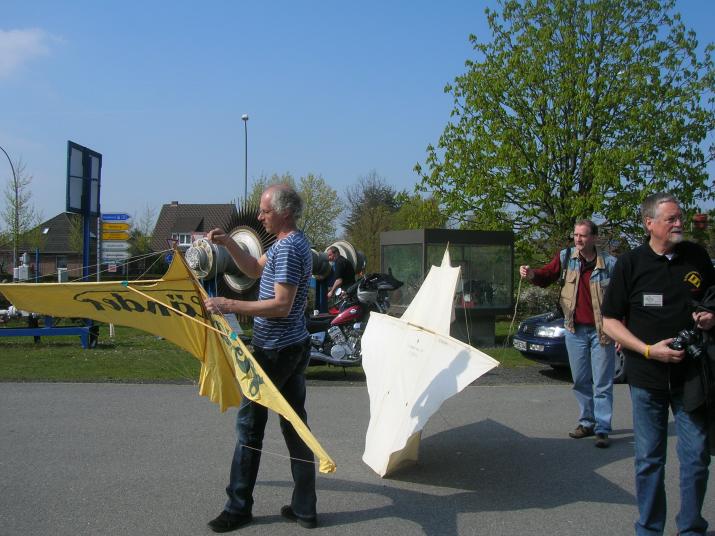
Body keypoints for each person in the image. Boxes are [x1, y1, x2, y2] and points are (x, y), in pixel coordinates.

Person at [203, 184, 318, 532]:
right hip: (292, 347)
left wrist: (230, 304)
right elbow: (253, 268)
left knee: (249, 428)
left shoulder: (287, 250)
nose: (259, 216)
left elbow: (281, 305)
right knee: (295, 426)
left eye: (265, 211)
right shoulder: (290, 244)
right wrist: (228, 244)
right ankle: (304, 508)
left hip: (277, 352)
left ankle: (238, 508)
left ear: (283, 212)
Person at [602, 193, 715, 536]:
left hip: (692, 376)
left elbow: (712, 297)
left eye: (679, 218)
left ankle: (691, 528)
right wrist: (649, 350)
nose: (679, 223)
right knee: (650, 461)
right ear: (649, 223)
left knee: (696, 457)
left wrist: (710, 316)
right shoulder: (630, 263)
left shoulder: (697, 257)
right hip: (647, 375)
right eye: (671, 219)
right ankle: (649, 529)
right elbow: (609, 321)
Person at [519, 219, 617, 447]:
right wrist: (531, 273)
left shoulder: (610, 263)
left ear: (594, 237)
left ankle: (602, 427)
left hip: (603, 332)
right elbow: (545, 276)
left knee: (602, 382)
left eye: (583, 235)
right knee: (580, 380)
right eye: (575, 235)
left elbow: (622, 298)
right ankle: (587, 422)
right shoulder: (566, 258)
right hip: (574, 330)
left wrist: (621, 330)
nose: (578, 239)